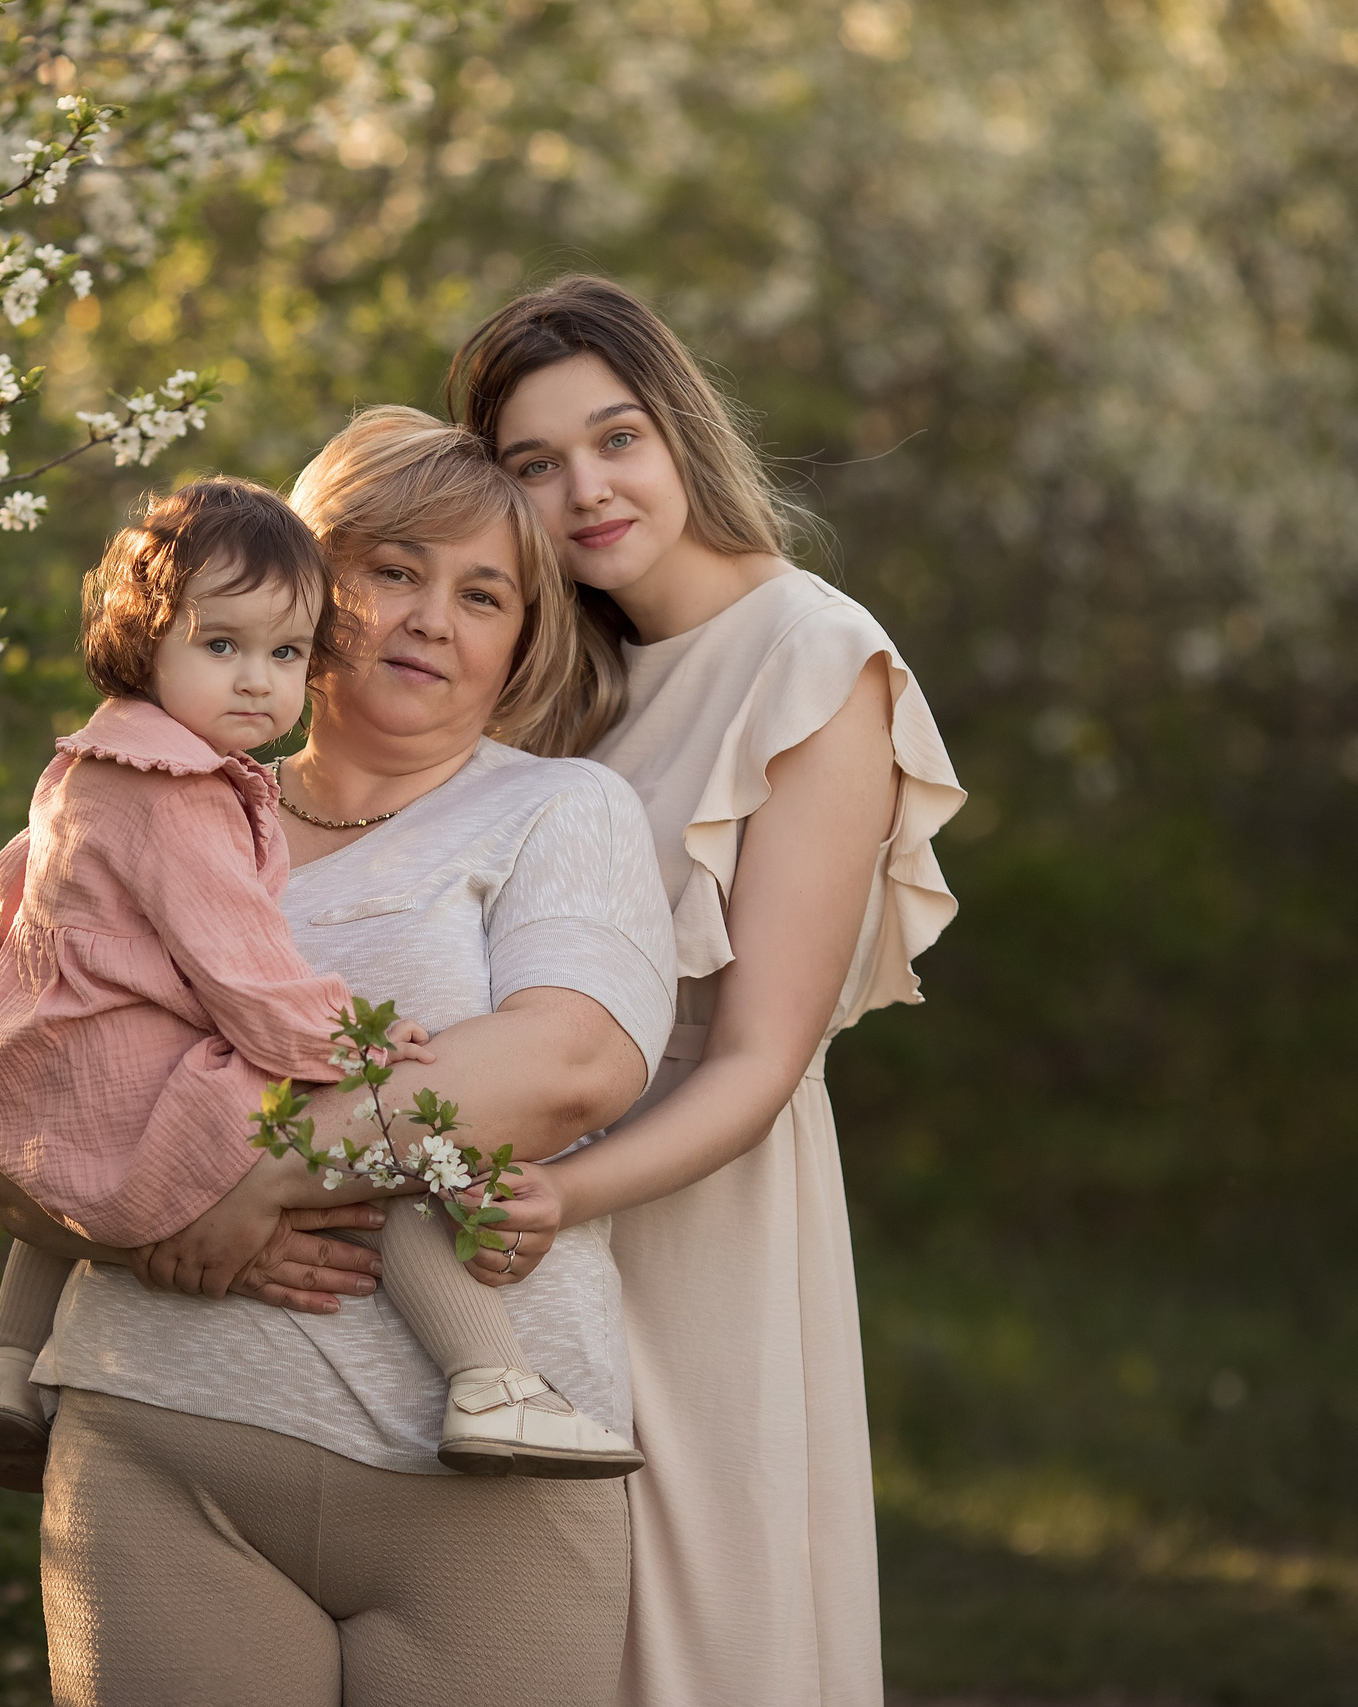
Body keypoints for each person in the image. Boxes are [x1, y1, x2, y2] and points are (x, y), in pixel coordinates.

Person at [0, 407, 676, 1707]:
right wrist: (140, 1227)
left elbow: (566, 1065)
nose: (432, 619)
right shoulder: (157, 794)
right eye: (393, 571)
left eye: (482, 593)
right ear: (305, 579)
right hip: (163, 1446)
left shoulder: (560, 809)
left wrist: (247, 1185)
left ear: (524, 635)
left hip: (480, 1491)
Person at [446, 277, 966, 1707]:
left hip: (690, 1211)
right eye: (532, 466)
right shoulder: (546, 677)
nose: (587, 491)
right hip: (496, 1221)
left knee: (690, 1641)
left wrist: (561, 1200)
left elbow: (757, 1059)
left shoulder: (812, 658)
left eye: (615, 439)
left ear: (678, 431)